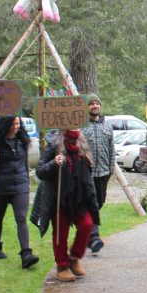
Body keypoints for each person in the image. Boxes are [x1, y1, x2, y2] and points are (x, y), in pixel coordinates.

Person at [33, 129, 100, 282]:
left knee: (87, 224)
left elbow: (88, 171)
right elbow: (40, 172)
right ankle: (62, 266)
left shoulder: (82, 143)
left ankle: (74, 257)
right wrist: (54, 163)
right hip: (59, 197)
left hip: (79, 197)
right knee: (60, 232)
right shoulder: (53, 143)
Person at [0, 116, 39, 269]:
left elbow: (25, 163)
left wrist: (27, 180)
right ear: (5, 125)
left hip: (20, 185)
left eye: (18, 124)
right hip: (1, 185)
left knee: (21, 218)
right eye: (13, 124)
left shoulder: (23, 142)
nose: (16, 127)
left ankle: (26, 254)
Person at [81, 93, 114, 254]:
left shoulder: (107, 126)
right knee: (91, 204)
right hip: (87, 173)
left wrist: (111, 170)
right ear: (87, 107)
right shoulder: (82, 126)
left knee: (99, 203)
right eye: (91, 104)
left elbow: (112, 149)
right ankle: (94, 237)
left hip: (104, 172)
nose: (95, 106)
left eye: (97, 103)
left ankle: (88, 234)